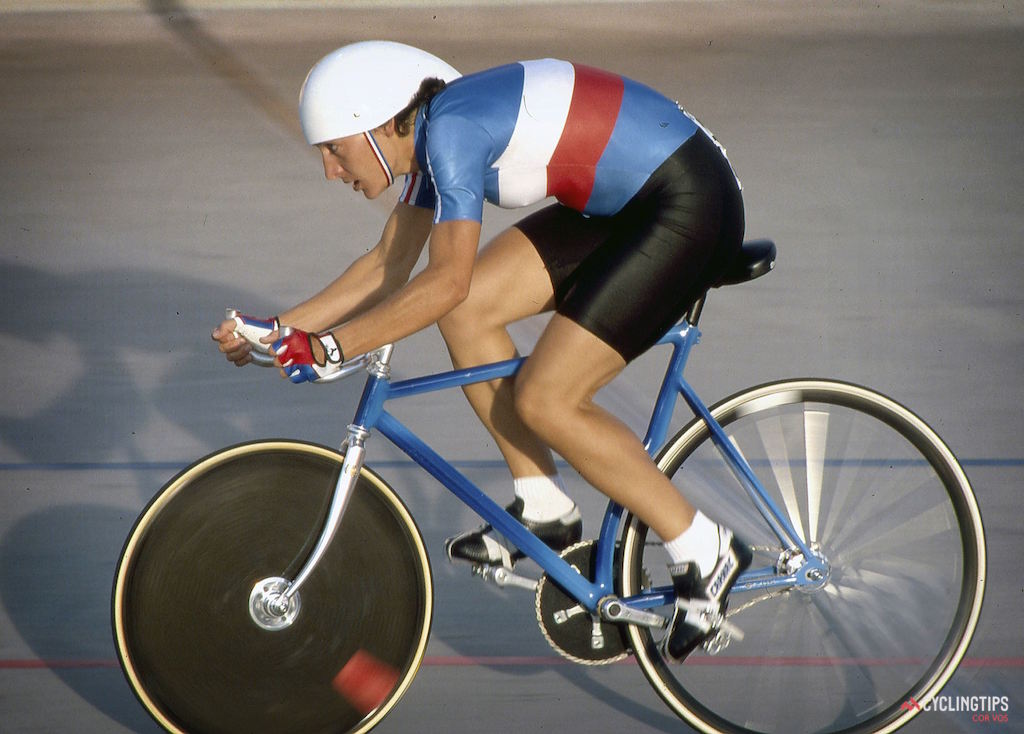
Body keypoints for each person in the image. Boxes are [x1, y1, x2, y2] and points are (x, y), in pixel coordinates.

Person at [212, 41, 751, 662]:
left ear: (379, 122)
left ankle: (704, 548)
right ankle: (544, 505)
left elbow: (444, 280)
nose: (330, 169)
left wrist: (332, 347)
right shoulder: (430, 136)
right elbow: (388, 267)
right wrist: (280, 330)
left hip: (686, 205)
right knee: (470, 313)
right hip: (628, 209)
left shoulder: (453, 132)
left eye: (334, 147)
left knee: (548, 399)